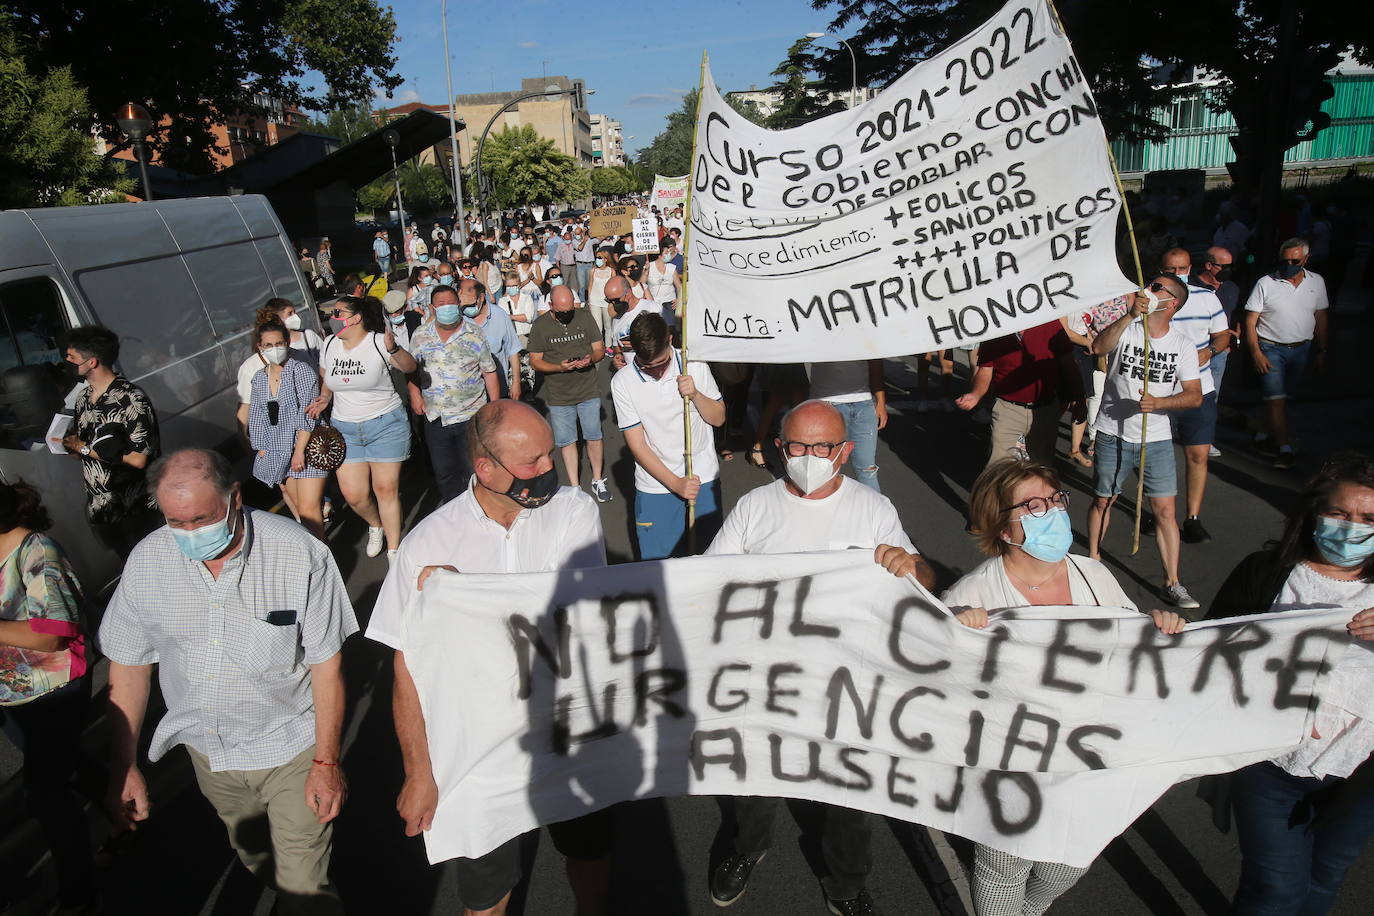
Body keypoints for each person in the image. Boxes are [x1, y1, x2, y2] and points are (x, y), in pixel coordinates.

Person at [367, 401, 614, 916]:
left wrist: (462, 599)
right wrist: (419, 773)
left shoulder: (574, 511)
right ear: (485, 469)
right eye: (532, 462)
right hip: (478, 744)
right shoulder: (425, 544)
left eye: (549, 454)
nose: (548, 468)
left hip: (567, 727)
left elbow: (580, 612)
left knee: (589, 853)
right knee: (484, 889)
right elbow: (408, 667)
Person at [704, 399, 936, 916]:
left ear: (846, 450)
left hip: (848, 685)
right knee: (753, 780)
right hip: (767, 681)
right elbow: (710, 579)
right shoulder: (755, 507)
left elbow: (923, 582)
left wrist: (910, 566)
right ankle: (747, 848)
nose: (809, 456)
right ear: (781, 448)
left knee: (849, 800)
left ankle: (846, 884)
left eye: (823, 446)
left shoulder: (872, 509)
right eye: (799, 446)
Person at [101, 449, 357, 914]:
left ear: (234, 497)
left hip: (291, 748)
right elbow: (128, 664)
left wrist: (326, 760)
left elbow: (327, 665)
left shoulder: (298, 553)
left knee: (304, 887)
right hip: (211, 756)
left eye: (201, 518)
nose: (190, 534)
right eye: (176, 523)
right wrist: (124, 764)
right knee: (258, 860)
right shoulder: (146, 563)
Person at [946, 458, 1186, 916]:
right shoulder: (971, 595)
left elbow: (1131, 642)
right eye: (1033, 506)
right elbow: (938, 685)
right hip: (1013, 763)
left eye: (1055, 499)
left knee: (1065, 865)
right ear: (1001, 527)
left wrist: (1158, 628)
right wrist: (954, 633)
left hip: (1088, 756)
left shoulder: (1092, 574)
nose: (1053, 511)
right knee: (1004, 868)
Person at [1207, 452, 1374, 915]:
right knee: (1277, 888)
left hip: (1362, 771)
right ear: (1313, 514)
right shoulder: (1264, 573)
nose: (1351, 528)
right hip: (1270, 764)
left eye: (1368, 518)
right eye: (1338, 513)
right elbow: (1205, 652)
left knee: (1323, 879)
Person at [0, 481, 95, 913]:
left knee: (45, 792)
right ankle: (125, 805)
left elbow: (53, 636)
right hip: (11, 690)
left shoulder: (38, 551)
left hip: (52, 689)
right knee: (66, 762)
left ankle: (79, 897)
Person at [1087, 278, 1203, 609]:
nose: (1149, 289)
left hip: (1156, 439)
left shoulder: (1182, 345)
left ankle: (1173, 582)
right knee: (1103, 500)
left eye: (1158, 287)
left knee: (1165, 511)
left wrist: (1161, 404)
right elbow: (1098, 348)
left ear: (1173, 304)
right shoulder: (1128, 328)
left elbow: (1194, 396)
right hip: (1113, 432)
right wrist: (1127, 316)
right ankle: (1093, 562)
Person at [308, 296, 418, 561]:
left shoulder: (379, 342)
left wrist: (394, 350)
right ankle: (375, 524)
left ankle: (394, 550)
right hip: (345, 428)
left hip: (385, 423)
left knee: (385, 489)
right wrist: (325, 396)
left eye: (338, 312)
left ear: (355, 318)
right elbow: (327, 377)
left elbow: (410, 367)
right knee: (354, 494)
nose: (333, 317)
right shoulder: (330, 344)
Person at [611, 313, 724, 558]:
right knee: (659, 566)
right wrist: (676, 483)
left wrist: (695, 394)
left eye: (661, 363)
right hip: (656, 486)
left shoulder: (694, 364)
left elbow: (718, 418)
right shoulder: (622, 382)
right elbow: (638, 445)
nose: (655, 372)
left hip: (701, 476)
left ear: (670, 340)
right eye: (646, 366)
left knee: (709, 560)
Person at [57, 325, 161, 559]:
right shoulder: (84, 399)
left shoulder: (131, 399)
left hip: (135, 510)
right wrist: (71, 447)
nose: (66, 360)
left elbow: (138, 459)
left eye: (71, 356)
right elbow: (87, 450)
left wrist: (82, 447)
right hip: (103, 510)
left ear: (92, 362)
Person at [1160, 248, 1229, 543]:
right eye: (1172, 271)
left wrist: (1209, 351)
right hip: (1160, 390)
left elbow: (1223, 335)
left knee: (1198, 455)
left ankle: (1192, 518)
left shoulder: (1207, 298)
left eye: (1184, 269)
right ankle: (1160, 510)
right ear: (1161, 270)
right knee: (1155, 457)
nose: (1179, 276)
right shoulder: (1149, 300)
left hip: (1199, 389)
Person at [407, 285, 500, 503]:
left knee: (475, 472)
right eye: (441, 304)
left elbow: (489, 372)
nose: (447, 307)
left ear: (458, 304)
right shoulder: (420, 336)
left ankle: (480, 514)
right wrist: (414, 394)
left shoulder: (474, 333)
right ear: (432, 308)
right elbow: (412, 371)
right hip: (436, 418)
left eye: (451, 303)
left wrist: (494, 411)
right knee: (445, 474)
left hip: (470, 416)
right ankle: (455, 515)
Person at [1243, 238, 1329, 470]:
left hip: (1301, 349)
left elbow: (1320, 317)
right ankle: (1284, 448)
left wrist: (1321, 350)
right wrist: (1256, 353)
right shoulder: (1265, 283)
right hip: (1271, 349)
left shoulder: (1317, 282)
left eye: (1295, 260)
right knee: (1277, 400)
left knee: (1280, 399)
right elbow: (1250, 321)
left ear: (1306, 259)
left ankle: (1262, 433)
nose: (1289, 264)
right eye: (1285, 260)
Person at [956, 320, 1084, 467]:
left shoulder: (1050, 324)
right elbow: (986, 369)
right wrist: (976, 394)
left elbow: (1069, 364)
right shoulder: (996, 329)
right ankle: (996, 490)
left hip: (1044, 408)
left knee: (1042, 465)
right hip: (1007, 408)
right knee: (998, 464)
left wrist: (1079, 399)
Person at [527, 287, 609, 500]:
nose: (566, 314)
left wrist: (590, 359)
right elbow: (535, 361)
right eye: (561, 311)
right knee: (567, 441)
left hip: (588, 388)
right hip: (559, 394)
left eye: (570, 309)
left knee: (594, 436)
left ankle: (597, 479)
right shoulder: (540, 325)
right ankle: (575, 487)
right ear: (551, 306)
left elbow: (599, 348)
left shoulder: (584, 316)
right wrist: (559, 367)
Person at [247, 321, 327, 539]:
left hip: (307, 447)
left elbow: (308, 413)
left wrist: (299, 450)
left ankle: (324, 560)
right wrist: (262, 449)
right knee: (301, 513)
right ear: (260, 347)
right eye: (268, 345)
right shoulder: (259, 379)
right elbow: (256, 415)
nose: (274, 348)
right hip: (278, 450)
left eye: (279, 343)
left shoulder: (301, 371)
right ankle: (316, 550)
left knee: (309, 512)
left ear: (287, 342)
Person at [808, 360, 887, 492]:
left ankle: (875, 512)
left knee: (867, 470)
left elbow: (875, 361)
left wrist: (881, 401)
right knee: (823, 468)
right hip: (826, 404)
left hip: (863, 404)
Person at [462, 277, 522, 400]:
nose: (466, 307)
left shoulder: (500, 315)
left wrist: (516, 383)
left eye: (470, 304)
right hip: (470, 393)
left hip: (499, 388)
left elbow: (513, 350)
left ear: (481, 298)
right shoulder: (458, 317)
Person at [1193, 246, 1241, 399]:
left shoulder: (1232, 288)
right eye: (1224, 266)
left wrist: (1234, 335)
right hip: (1194, 350)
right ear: (1208, 265)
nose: (1228, 270)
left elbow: (1238, 313)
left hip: (1219, 352)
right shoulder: (1190, 287)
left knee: (1211, 398)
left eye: (1231, 266)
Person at [588, 250, 617, 343]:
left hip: (607, 301)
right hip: (594, 301)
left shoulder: (611, 271)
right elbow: (590, 285)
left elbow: (614, 286)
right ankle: (599, 346)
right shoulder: (593, 271)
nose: (597, 260)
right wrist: (589, 300)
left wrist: (613, 301)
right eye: (596, 258)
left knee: (608, 326)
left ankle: (608, 346)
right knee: (598, 326)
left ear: (605, 259)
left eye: (600, 258)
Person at [571, 223, 596, 301]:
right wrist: (584, 240)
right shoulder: (574, 241)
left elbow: (599, 240)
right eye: (575, 233)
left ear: (582, 233)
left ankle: (590, 299)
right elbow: (580, 248)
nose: (576, 235)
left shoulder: (589, 240)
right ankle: (582, 300)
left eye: (578, 233)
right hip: (580, 265)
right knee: (581, 284)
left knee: (590, 283)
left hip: (589, 265)